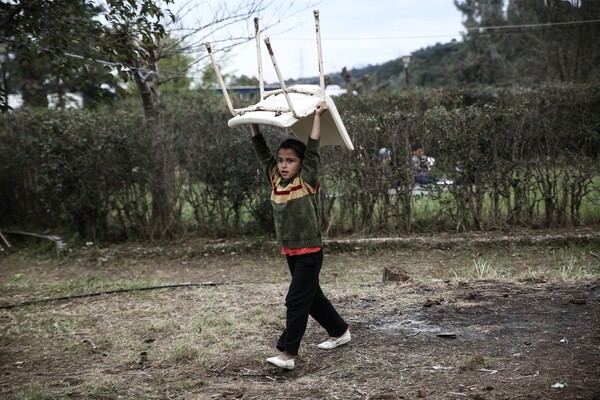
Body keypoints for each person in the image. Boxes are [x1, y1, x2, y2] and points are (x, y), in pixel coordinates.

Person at [250, 100, 350, 370]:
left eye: (290, 161)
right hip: (290, 251)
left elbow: (314, 148)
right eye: (281, 160)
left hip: (310, 252)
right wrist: (253, 121)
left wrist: (317, 117)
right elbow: (261, 152)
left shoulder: (306, 180)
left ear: (301, 164)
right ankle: (340, 331)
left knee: (295, 300)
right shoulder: (275, 179)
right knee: (311, 297)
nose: (283, 165)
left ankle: (287, 353)